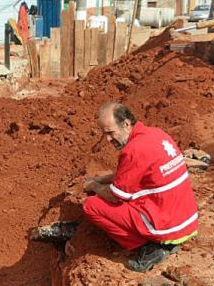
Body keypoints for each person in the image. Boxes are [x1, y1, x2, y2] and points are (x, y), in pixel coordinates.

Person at [83, 102, 199, 272]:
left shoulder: (133, 150)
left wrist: (93, 185)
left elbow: (114, 195)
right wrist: (101, 179)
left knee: (92, 206)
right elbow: (128, 174)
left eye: (110, 133)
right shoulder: (156, 134)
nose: (108, 139)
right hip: (186, 219)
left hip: (168, 226)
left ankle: (148, 249)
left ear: (126, 124)